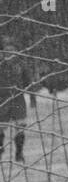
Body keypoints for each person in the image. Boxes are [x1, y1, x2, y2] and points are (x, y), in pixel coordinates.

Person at [0, 36, 38, 164]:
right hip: (2, 100)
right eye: (6, 50)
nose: (9, 53)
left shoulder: (21, 65)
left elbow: (28, 81)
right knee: (1, 127)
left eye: (12, 50)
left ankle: (19, 153)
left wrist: (32, 97)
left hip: (18, 99)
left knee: (20, 126)